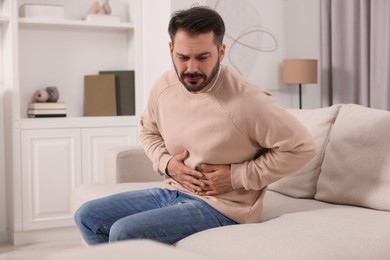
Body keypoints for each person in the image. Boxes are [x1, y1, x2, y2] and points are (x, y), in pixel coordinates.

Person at [75, 6, 316, 245]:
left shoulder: (250, 101)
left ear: (221, 52)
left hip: (223, 207)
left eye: (202, 57)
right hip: (172, 190)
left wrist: (237, 176)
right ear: (171, 50)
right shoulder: (164, 86)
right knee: (87, 216)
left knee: (124, 232)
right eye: (182, 57)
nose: (191, 69)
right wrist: (167, 163)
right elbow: (148, 129)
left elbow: (301, 147)